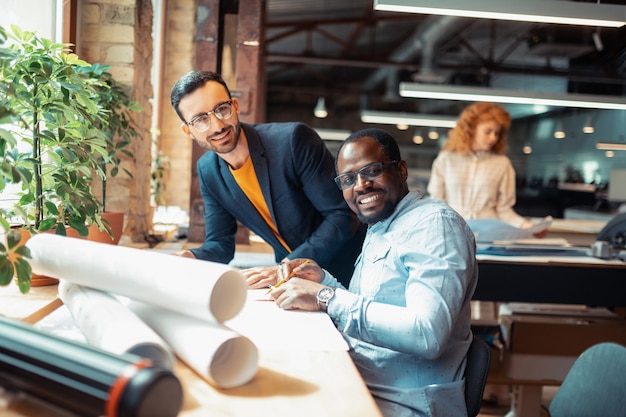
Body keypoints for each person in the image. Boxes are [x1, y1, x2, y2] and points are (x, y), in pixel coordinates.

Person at [269, 128, 478, 417]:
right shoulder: (381, 225)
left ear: (401, 170)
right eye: (348, 179)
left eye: (372, 171)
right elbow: (377, 307)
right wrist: (325, 282)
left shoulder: (434, 225)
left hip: (407, 405)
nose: (361, 185)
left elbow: (427, 334)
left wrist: (327, 297)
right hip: (360, 383)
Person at [169, 70, 365, 287]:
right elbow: (220, 245)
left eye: (221, 109)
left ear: (235, 105)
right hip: (295, 282)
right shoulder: (208, 171)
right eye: (200, 120)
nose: (217, 125)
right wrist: (191, 257)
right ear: (188, 131)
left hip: (352, 271)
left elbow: (342, 215)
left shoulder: (292, 141)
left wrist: (286, 268)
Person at [427, 102, 546, 234]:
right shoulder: (446, 159)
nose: (493, 138)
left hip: (490, 233)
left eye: (497, 133)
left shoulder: (502, 164)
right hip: (452, 231)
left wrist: (527, 227)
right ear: (471, 129)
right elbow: (436, 203)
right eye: (487, 132)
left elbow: (504, 210)